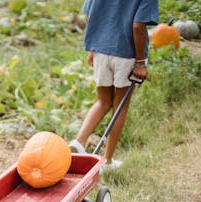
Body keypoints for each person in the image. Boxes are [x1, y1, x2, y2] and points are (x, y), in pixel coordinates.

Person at [68, 0, 159, 172]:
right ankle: (107, 161)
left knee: (102, 102)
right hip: (126, 54)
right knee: (120, 106)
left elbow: (92, 14)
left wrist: (93, 49)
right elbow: (138, 26)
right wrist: (140, 62)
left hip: (101, 50)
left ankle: (79, 142)